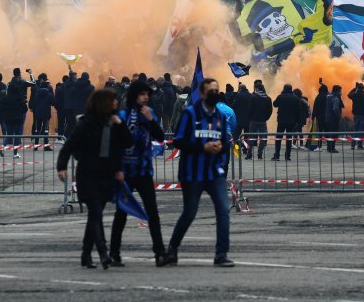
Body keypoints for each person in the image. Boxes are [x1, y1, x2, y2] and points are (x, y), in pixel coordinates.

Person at [57, 89, 132, 270]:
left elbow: (126, 144)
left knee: (95, 216)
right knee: (96, 213)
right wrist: (61, 166)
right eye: (113, 100)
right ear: (103, 103)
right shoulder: (87, 123)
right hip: (88, 174)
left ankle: (85, 254)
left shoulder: (113, 123)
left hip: (106, 175)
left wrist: (120, 125)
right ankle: (103, 253)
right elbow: (69, 145)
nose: (116, 103)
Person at [164, 78, 234, 267]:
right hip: (192, 172)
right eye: (211, 90)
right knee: (190, 212)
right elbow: (178, 141)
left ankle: (221, 254)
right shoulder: (190, 114)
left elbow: (225, 141)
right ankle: (172, 248)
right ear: (202, 94)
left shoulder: (219, 116)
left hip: (214, 172)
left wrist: (222, 145)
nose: (214, 93)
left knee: (223, 210)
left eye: (217, 90)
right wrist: (202, 147)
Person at [110, 81, 168, 267]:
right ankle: (114, 253)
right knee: (122, 213)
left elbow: (160, 137)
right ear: (134, 95)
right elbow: (115, 143)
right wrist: (117, 169)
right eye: (142, 94)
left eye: (147, 94)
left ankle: (160, 252)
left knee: (152, 210)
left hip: (143, 171)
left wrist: (151, 119)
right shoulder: (123, 115)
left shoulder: (148, 112)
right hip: (125, 171)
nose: (145, 97)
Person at [272, 84, 301, 161]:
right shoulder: (296, 98)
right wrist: (297, 122)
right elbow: (298, 112)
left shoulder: (281, 96)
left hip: (281, 121)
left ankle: (277, 156)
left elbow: (275, 104)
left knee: (278, 139)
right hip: (291, 121)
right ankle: (287, 156)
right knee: (289, 139)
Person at [247, 81, 272, 160]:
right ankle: (260, 154)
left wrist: (250, 117)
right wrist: (266, 118)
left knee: (250, 138)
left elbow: (250, 109)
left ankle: (249, 154)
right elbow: (270, 110)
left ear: (256, 88)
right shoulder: (268, 98)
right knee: (263, 138)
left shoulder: (253, 97)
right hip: (262, 121)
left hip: (253, 120)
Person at [324, 85, 344, 153]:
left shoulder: (328, 96)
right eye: (340, 91)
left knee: (329, 133)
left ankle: (329, 147)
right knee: (333, 134)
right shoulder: (336, 98)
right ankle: (332, 148)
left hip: (327, 118)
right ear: (337, 91)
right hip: (333, 119)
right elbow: (335, 108)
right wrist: (339, 117)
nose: (341, 92)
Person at [311, 83, 329, 150]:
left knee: (319, 132)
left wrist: (313, 117)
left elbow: (315, 108)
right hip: (328, 117)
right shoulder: (329, 96)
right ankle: (329, 146)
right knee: (328, 132)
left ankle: (319, 146)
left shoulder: (318, 97)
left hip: (320, 117)